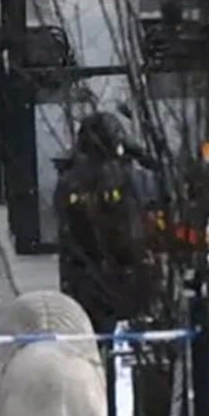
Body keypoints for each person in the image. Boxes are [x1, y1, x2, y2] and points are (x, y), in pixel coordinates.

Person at [54, 111, 158, 333]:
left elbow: (66, 227)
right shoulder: (129, 177)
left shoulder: (68, 181)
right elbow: (164, 189)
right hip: (127, 273)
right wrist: (141, 154)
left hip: (82, 275)